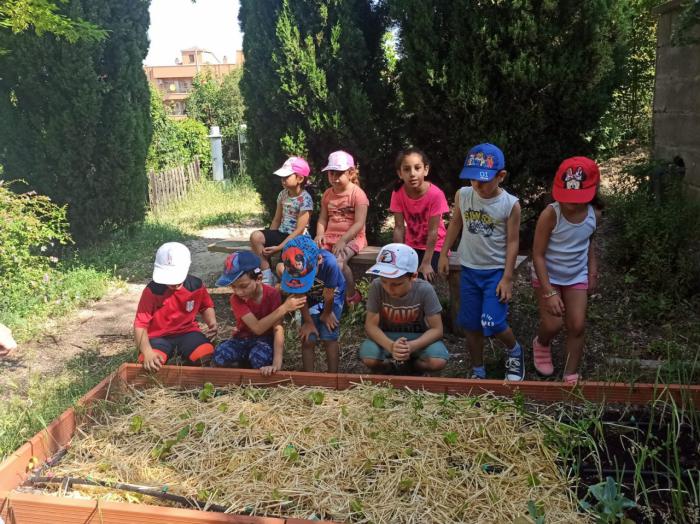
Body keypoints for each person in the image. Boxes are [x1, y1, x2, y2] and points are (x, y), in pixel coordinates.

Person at [438, 143, 524, 381]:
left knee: (493, 321)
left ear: (501, 176)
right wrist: (445, 253)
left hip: (495, 272)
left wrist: (508, 277)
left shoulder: (510, 205)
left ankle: (515, 351)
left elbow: (513, 242)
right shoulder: (464, 195)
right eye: (473, 179)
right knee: (471, 324)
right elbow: (456, 223)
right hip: (469, 269)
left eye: (484, 180)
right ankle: (478, 369)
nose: (477, 185)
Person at [531, 157, 602, 385]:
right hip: (547, 275)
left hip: (576, 275)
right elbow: (538, 255)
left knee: (577, 324)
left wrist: (592, 271)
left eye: (578, 198)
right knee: (553, 324)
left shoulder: (594, 214)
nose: (571, 203)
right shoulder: (551, 214)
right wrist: (550, 292)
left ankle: (570, 373)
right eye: (567, 197)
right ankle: (541, 342)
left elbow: (588, 243)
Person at [360, 243, 449, 375]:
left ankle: (413, 368)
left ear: (413, 276)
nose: (389, 288)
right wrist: (391, 346)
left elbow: (437, 329)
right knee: (369, 358)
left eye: (396, 284)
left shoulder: (425, 290)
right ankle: (389, 369)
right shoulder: (376, 286)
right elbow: (371, 326)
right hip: (386, 336)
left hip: (418, 338)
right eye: (384, 281)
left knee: (438, 361)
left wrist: (412, 346)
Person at [213, 252, 306, 376]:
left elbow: (277, 328)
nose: (239, 292)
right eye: (233, 287)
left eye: (243, 286)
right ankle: (244, 364)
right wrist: (284, 308)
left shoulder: (272, 295)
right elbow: (257, 328)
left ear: (259, 279)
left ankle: (248, 363)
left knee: (259, 358)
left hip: (264, 341)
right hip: (241, 339)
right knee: (219, 355)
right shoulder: (235, 299)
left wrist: (277, 363)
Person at [134, 242, 217, 372]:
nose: (173, 283)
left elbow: (205, 306)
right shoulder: (152, 291)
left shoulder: (196, 286)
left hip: (188, 333)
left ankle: (186, 354)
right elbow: (140, 325)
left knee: (206, 355)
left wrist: (212, 322)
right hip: (158, 337)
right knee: (149, 364)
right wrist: (147, 351)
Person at [281, 235, 345, 372]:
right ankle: (308, 378)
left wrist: (327, 313)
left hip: (333, 296)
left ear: (319, 260)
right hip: (310, 299)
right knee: (308, 338)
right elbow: (300, 294)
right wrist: (308, 321)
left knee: (329, 334)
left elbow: (329, 294)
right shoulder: (292, 267)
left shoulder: (330, 264)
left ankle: (333, 377)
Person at [315, 150, 368, 305]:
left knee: (338, 262)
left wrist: (343, 240)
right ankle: (323, 296)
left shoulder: (358, 194)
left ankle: (351, 295)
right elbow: (323, 218)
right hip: (329, 236)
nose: (334, 178)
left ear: (350, 173)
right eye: (331, 173)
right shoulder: (327, 194)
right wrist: (319, 234)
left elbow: (359, 223)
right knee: (314, 258)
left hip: (352, 238)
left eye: (339, 173)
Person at [249, 156, 314, 285]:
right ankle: (267, 276)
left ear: (300, 178)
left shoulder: (305, 199)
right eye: (282, 177)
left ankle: (290, 286)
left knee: (284, 265)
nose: (283, 180)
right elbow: (277, 219)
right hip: (281, 233)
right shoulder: (283, 194)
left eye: (286, 177)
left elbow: (300, 230)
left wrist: (279, 247)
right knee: (255, 237)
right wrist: (269, 239)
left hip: (297, 239)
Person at [390, 147, 450, 282]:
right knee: (398, 276)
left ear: (426, 170)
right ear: (400, 173)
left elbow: (433, 231)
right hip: (412, 245)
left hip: (435, 247)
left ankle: (425, 303)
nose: (412, 173)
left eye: (417, 168)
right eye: (406, 169)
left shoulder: (436, 194)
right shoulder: (397, 193)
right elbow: (399, 227)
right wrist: (398, 255)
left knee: (421, 280)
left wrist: (426, 262)